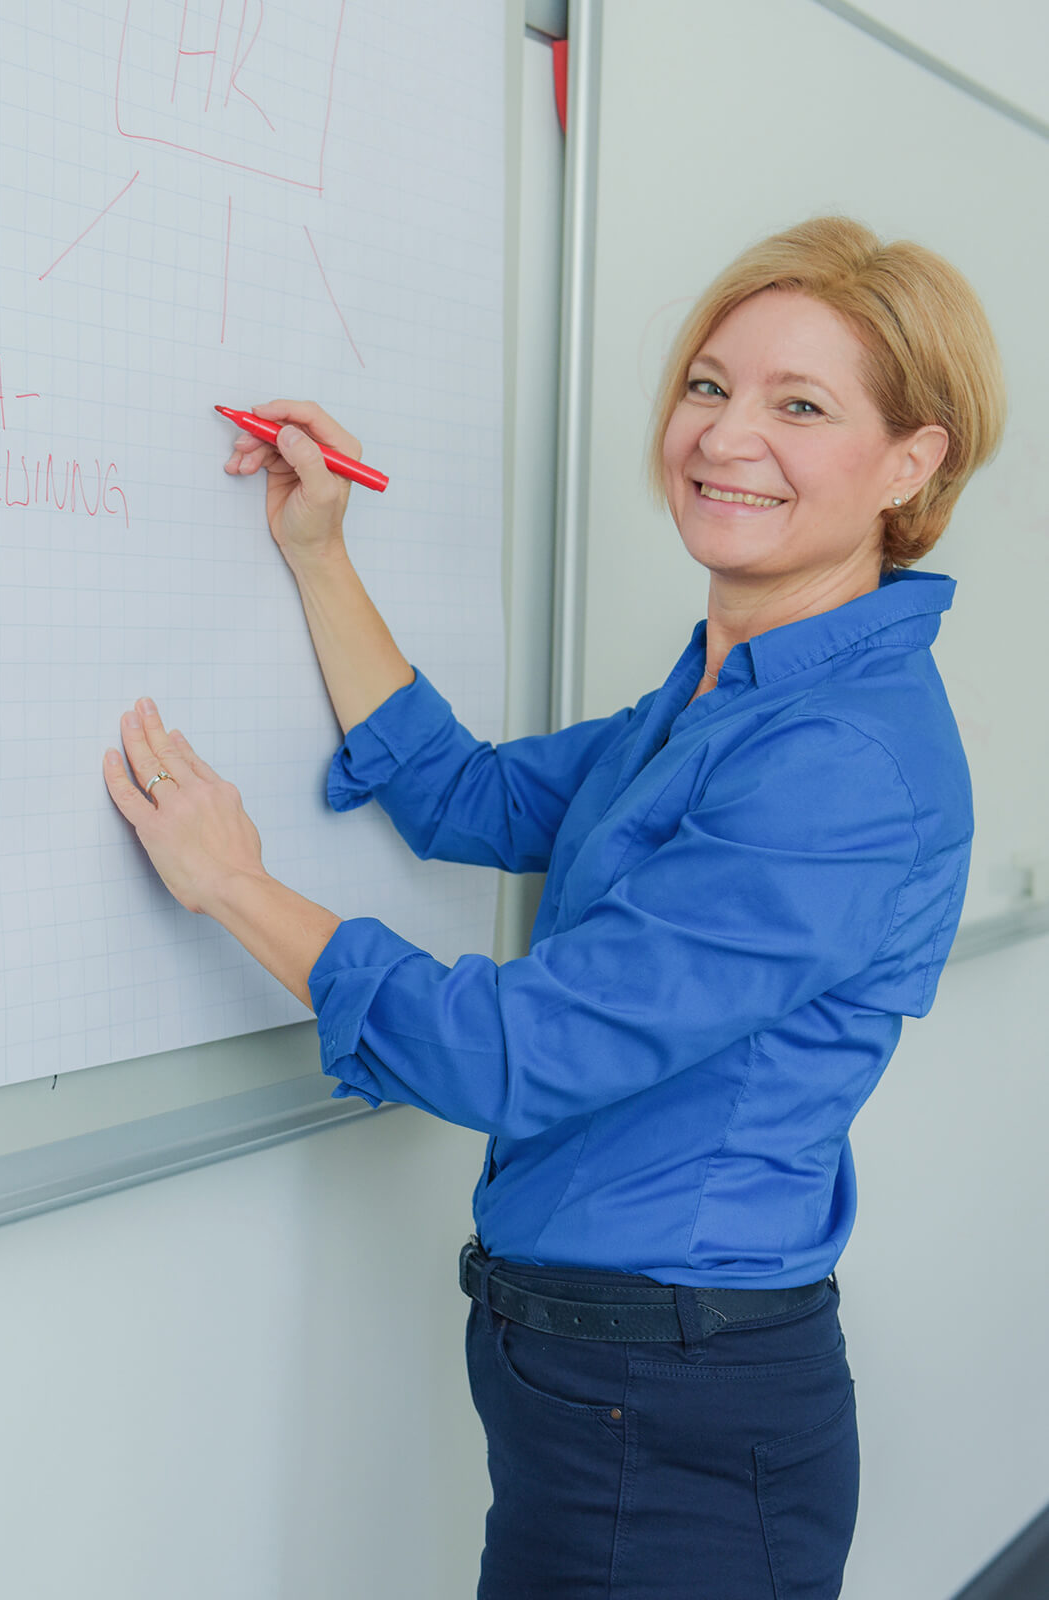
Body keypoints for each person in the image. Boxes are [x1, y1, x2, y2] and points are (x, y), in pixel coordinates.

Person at [103, 216, 1006, 1599]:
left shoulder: (842, 761)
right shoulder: (723, 691)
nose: (723, 435)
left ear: (911, 461)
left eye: (800, 405)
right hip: (596, 1382)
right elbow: (465, 794)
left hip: (677, 1411)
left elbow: (519, 1052)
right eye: (709, 384)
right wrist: (320, 549)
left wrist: (233, 886)